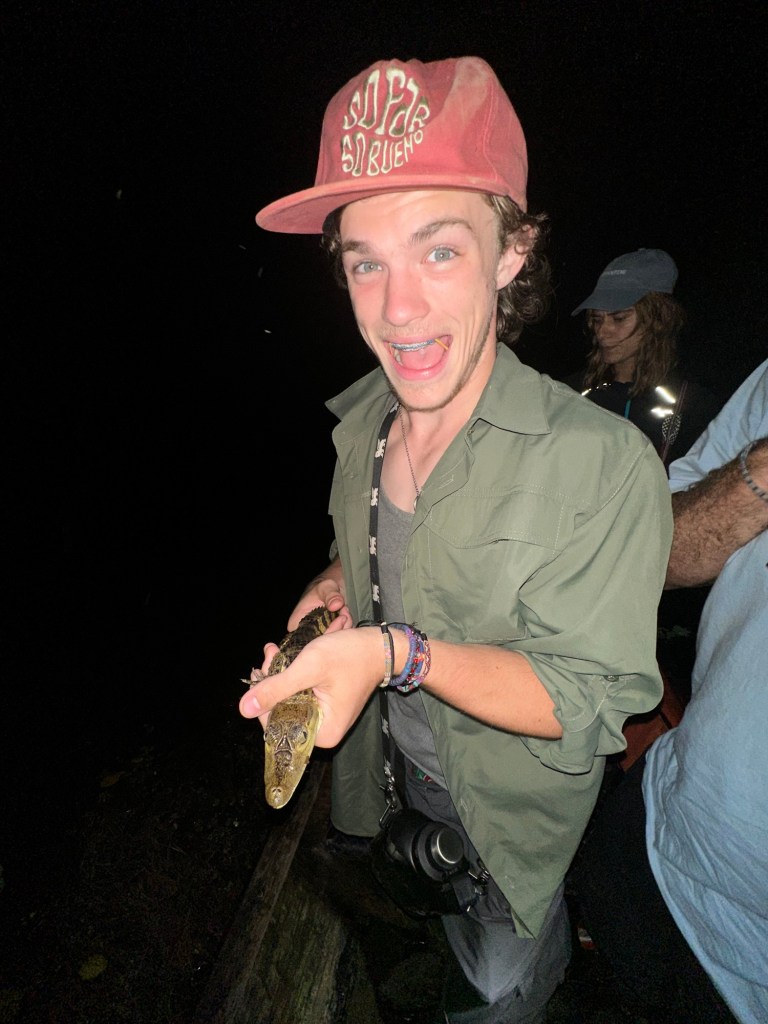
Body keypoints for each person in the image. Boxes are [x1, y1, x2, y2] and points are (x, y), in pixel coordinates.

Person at [241, 56, 672, 1024]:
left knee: (497, 996)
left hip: (500, 843)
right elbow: (383, 555)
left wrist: (397, 652)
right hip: (372, 807)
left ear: (512, 251)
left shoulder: (602, 465)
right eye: (366, 261)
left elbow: (592, 702)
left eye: (439, 251)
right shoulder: (364, 426)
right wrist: (338, 592)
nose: (398, 309)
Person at [569, 358, 768, 1024]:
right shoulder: (591, 392)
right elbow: (656, 531)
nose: (599, 324)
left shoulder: (687, 389)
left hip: (657, 627)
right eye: (595, 314)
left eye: (615, 311)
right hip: (660, 830)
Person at [567, 248, 722, 469]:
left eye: (619, 318)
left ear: (659, 318)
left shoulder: (693, 405)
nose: (602, 331)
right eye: (596, 318)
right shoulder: (570, 392)